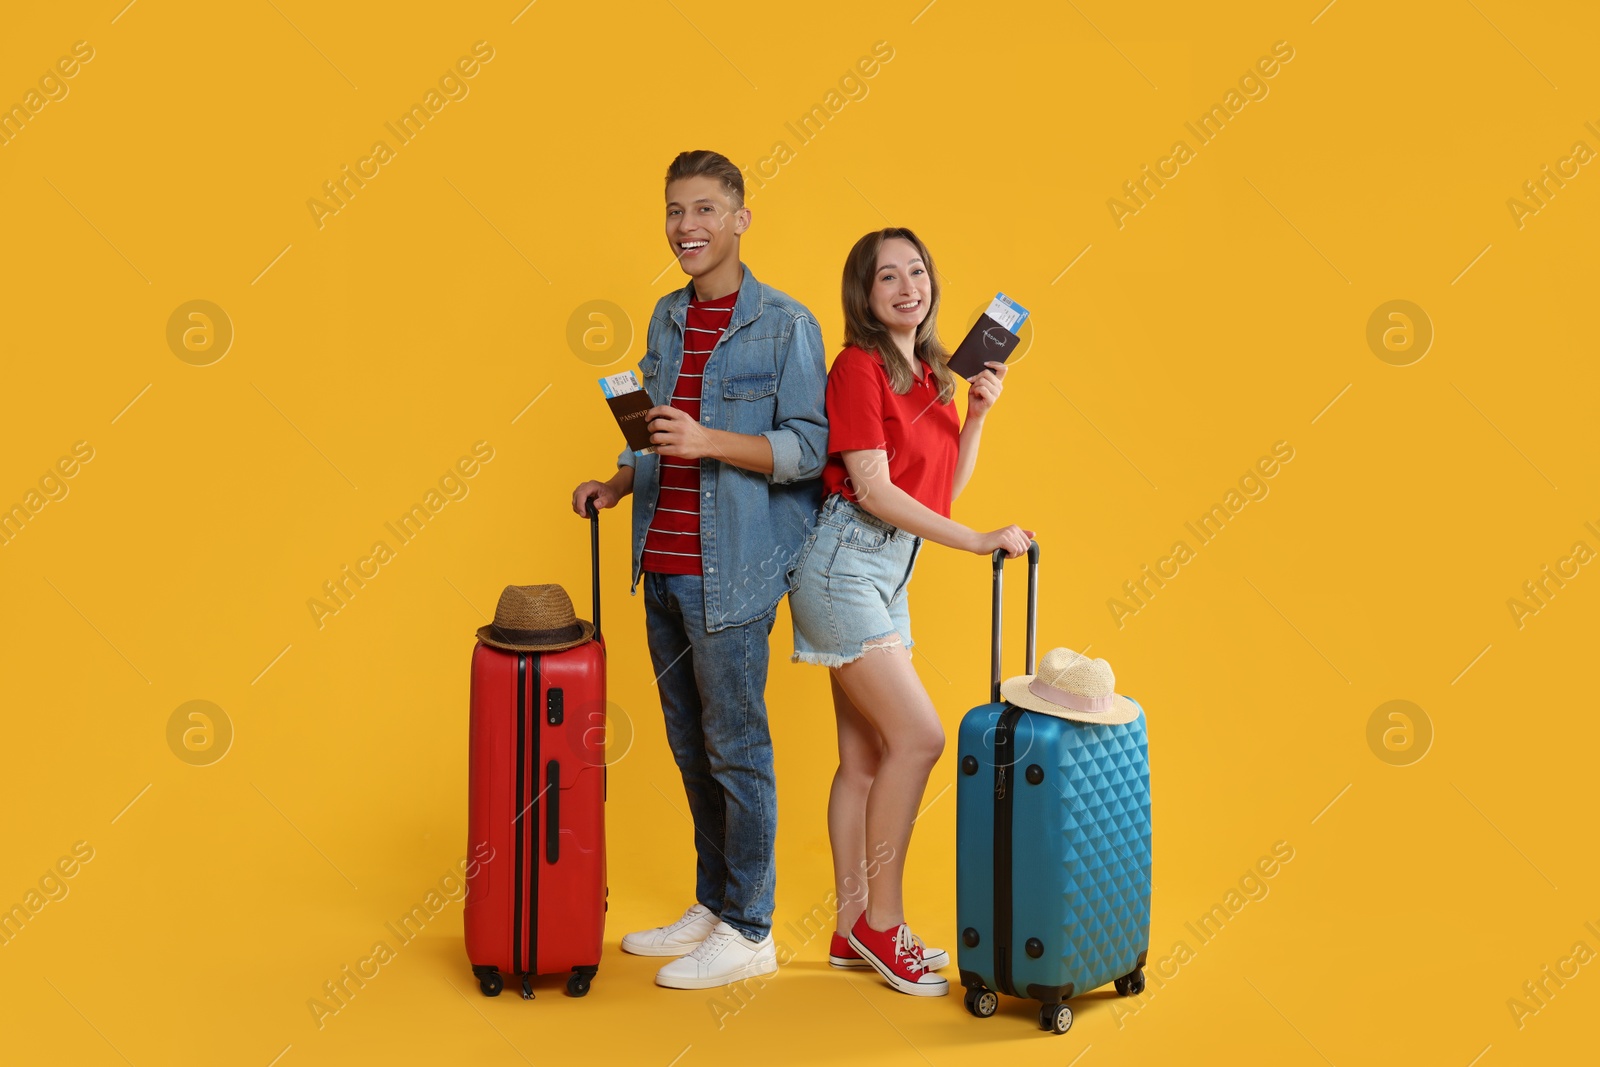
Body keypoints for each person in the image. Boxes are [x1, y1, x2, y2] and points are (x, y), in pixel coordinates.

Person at [571, 150, 828, 990]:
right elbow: (654, 424)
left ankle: (751, 927)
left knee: (736, 748)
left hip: (738, 572)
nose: (687, 226)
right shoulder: (665, 317)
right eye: (676, 210)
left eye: (706, 210)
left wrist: (710, 441)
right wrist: (615, 480)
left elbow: (810, 450)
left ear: (741, 218)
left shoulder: (787, 325)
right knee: (690, 745)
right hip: (664, 561)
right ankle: (714, 903)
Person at [786, 227, 1031, 996]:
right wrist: (978, 541)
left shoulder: (932, 374)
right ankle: (881, 925)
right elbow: (875, 490)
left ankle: (847, 927)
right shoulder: (857, 367)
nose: (905, 287)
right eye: (886, 276)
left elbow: (938, 489)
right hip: (842, 564)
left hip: (889, 572)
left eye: (916, 271)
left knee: (864, 760)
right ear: (864, 294)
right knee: (920, 737)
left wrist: (981, 414)